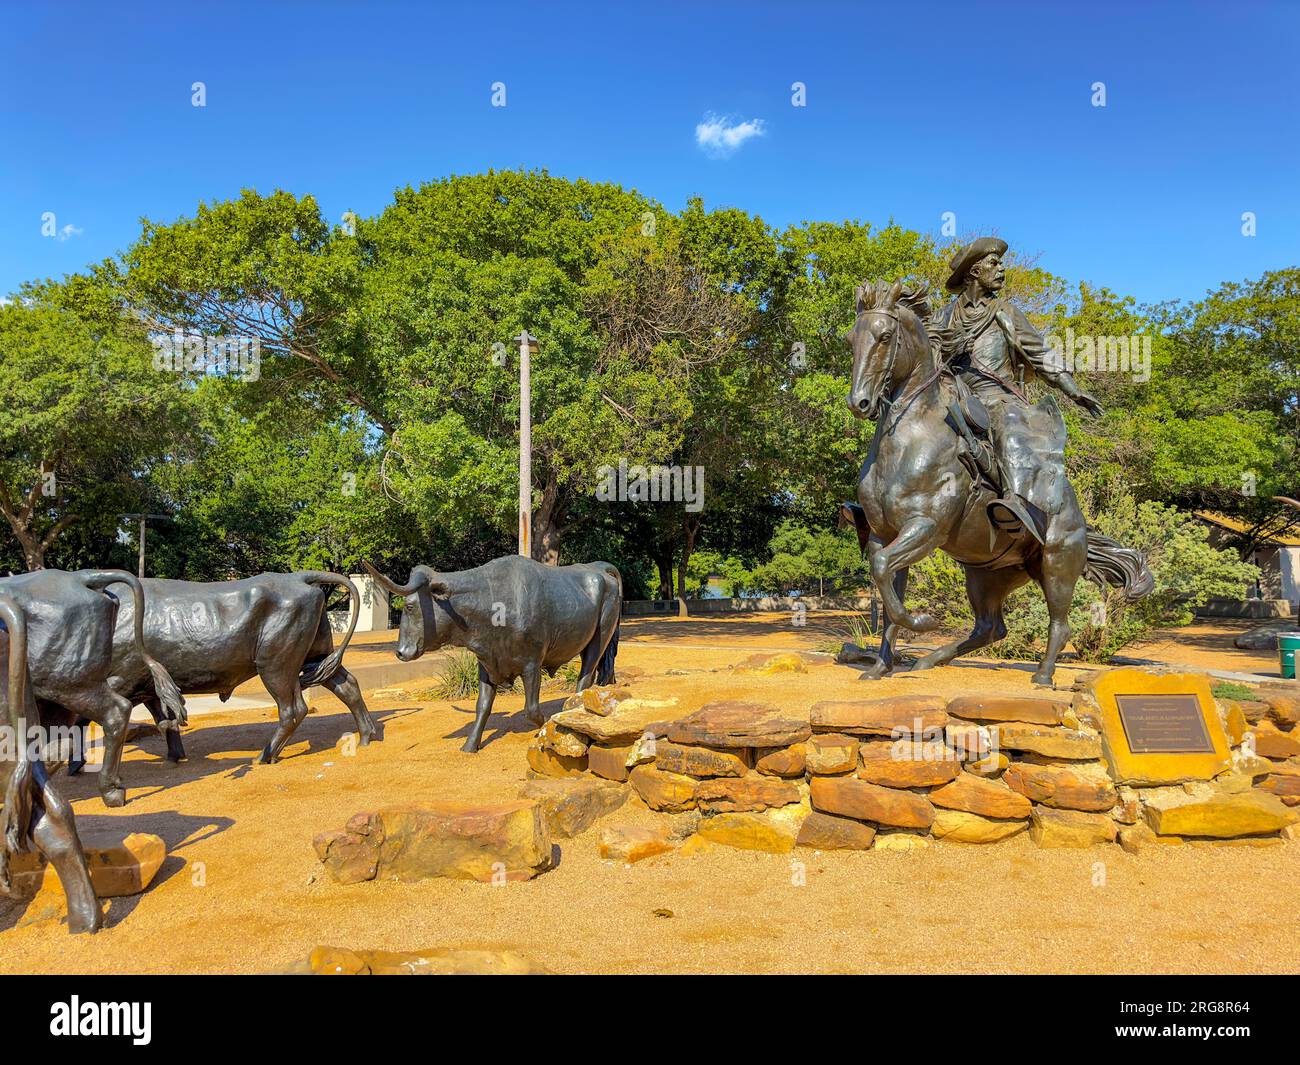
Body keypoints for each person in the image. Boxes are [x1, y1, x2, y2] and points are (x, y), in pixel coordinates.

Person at [931, 237, 1103, 543]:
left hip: (998, 397)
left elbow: (1040, 354)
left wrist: (1073, 390)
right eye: (993, 264)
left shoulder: (1007, 312)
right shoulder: (945, 316)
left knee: (1005, 417)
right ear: (973, 272)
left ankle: (1014, 500)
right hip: (956, 397)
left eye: (1000, 264)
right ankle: (884, 501)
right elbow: (925, 358)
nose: (1001, 270)